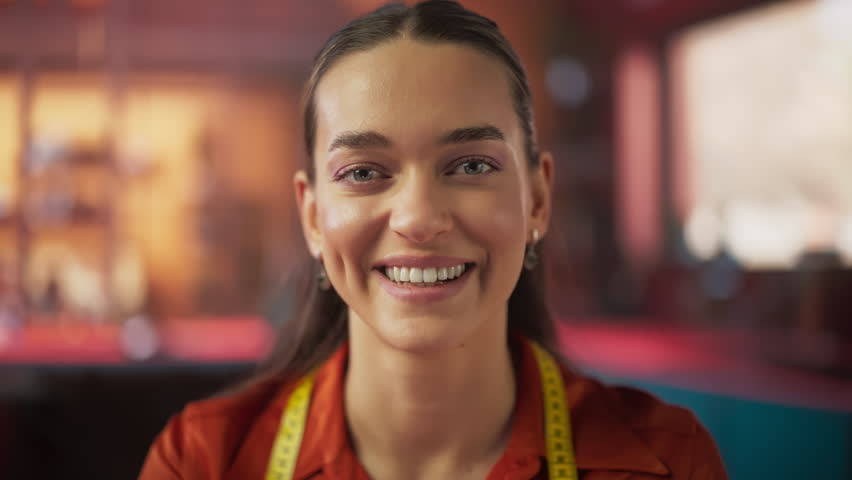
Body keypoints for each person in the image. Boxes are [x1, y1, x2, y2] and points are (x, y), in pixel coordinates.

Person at [139, 1, 727, 479]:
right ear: (314, 217)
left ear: (538, 201)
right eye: (365, 172)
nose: (418, 219)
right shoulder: (204, 461)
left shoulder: (665, 461)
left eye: (470, 166)